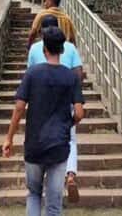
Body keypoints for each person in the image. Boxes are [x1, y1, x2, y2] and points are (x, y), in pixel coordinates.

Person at [3, 26, 85, 216]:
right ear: (63, 49)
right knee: (54, 202)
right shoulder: (71, 77)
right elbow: (80, 113)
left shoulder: (32, 74)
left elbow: (19, 108)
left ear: (43, 49)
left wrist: (9, 138)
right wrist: (67, 124)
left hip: (34, 144)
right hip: (59, 145)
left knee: (33, 193)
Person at [27, 15, 82, 203]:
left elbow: (30, 75)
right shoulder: (71, 48)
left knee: (42, 139)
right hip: (66, 99)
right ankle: (71, 175)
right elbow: (78, 73)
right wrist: (77, 99)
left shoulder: (35, 48)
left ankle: (43, 185)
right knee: (70, 140)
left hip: (41, 103)